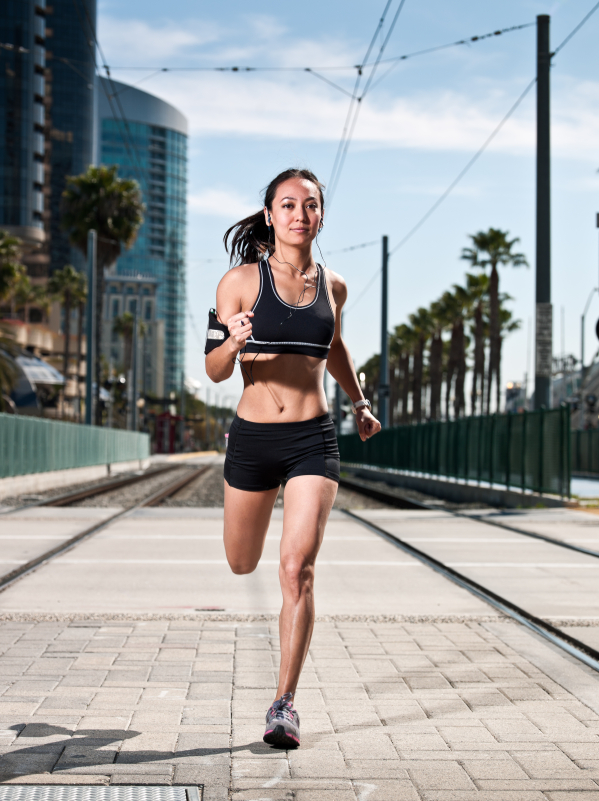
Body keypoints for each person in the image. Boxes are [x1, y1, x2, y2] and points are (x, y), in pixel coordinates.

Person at [205, 168, 380, 749]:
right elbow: (213, 367)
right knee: (240, 562)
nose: (299, 214)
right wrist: (232, 340)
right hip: (253, 440)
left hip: (313, 438)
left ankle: (284, 704)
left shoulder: (335, 285)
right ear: (270, 215)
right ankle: (282, 695)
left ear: (321, 216)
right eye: (287, 205)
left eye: (309, 204)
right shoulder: (237, 283)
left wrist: (359, 401)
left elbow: (333, 347)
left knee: (296, 569)